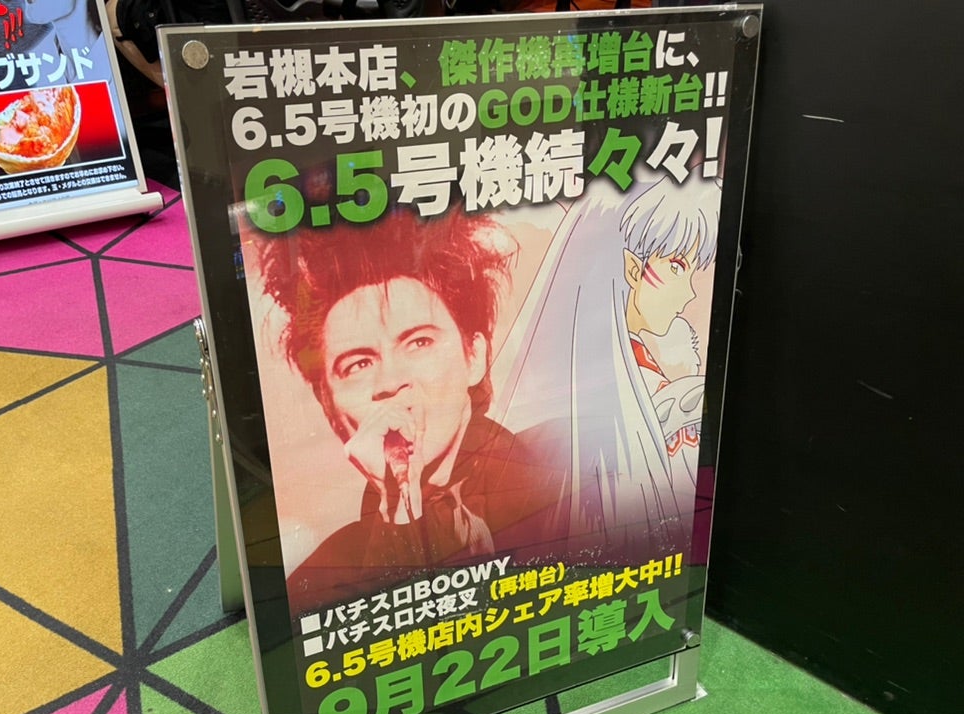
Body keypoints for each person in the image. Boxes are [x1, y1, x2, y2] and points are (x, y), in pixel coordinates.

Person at [256, 208, 569, 615]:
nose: (390, 381)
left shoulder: (579, 467)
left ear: (474, 355)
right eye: (358, 364)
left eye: (419, 342)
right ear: (330, 409)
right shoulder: (316, 585)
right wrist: (397, 507)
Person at [494, 174, 720, 562]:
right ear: (632, 268)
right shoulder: (564, 412)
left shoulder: (652, 377)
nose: (690, 292)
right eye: (677, 266)